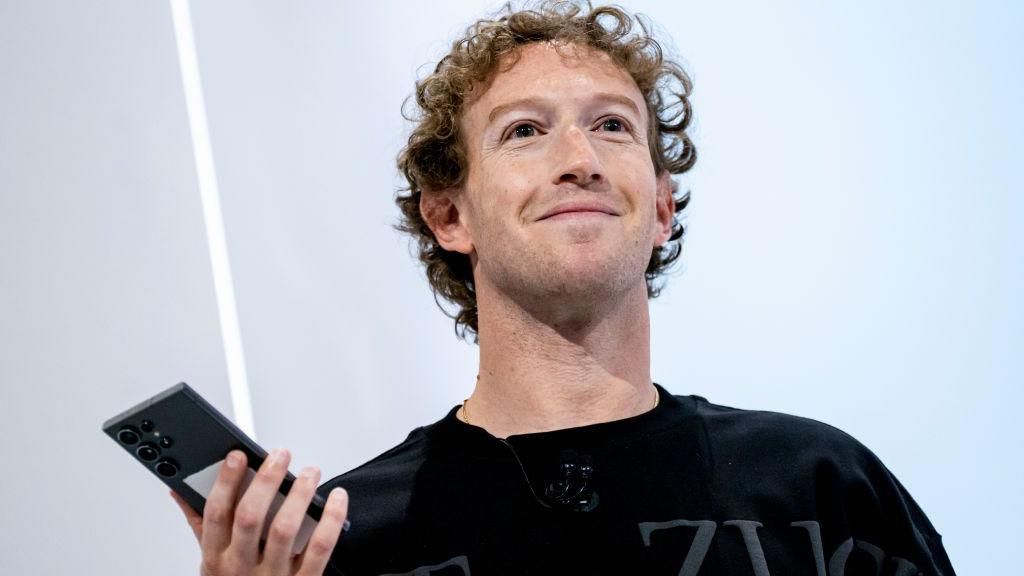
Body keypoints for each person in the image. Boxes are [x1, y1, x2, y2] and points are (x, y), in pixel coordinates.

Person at [172, 2, 956, 575]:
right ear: (449, 215)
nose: (579, 157)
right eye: (524, 130)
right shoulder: (341, 540)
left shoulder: (821, 486)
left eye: (613, 126)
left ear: (659, 206)